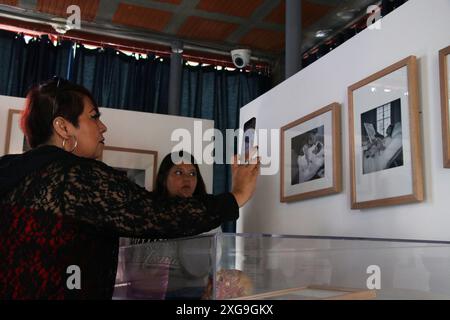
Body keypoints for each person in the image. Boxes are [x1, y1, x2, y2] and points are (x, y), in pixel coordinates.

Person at [0, 77, 260, 299]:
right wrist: (236, 195)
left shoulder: (7, 169)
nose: (102, 126)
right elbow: (159, 216)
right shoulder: (79, 176)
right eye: (93, 117)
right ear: (63, 127)